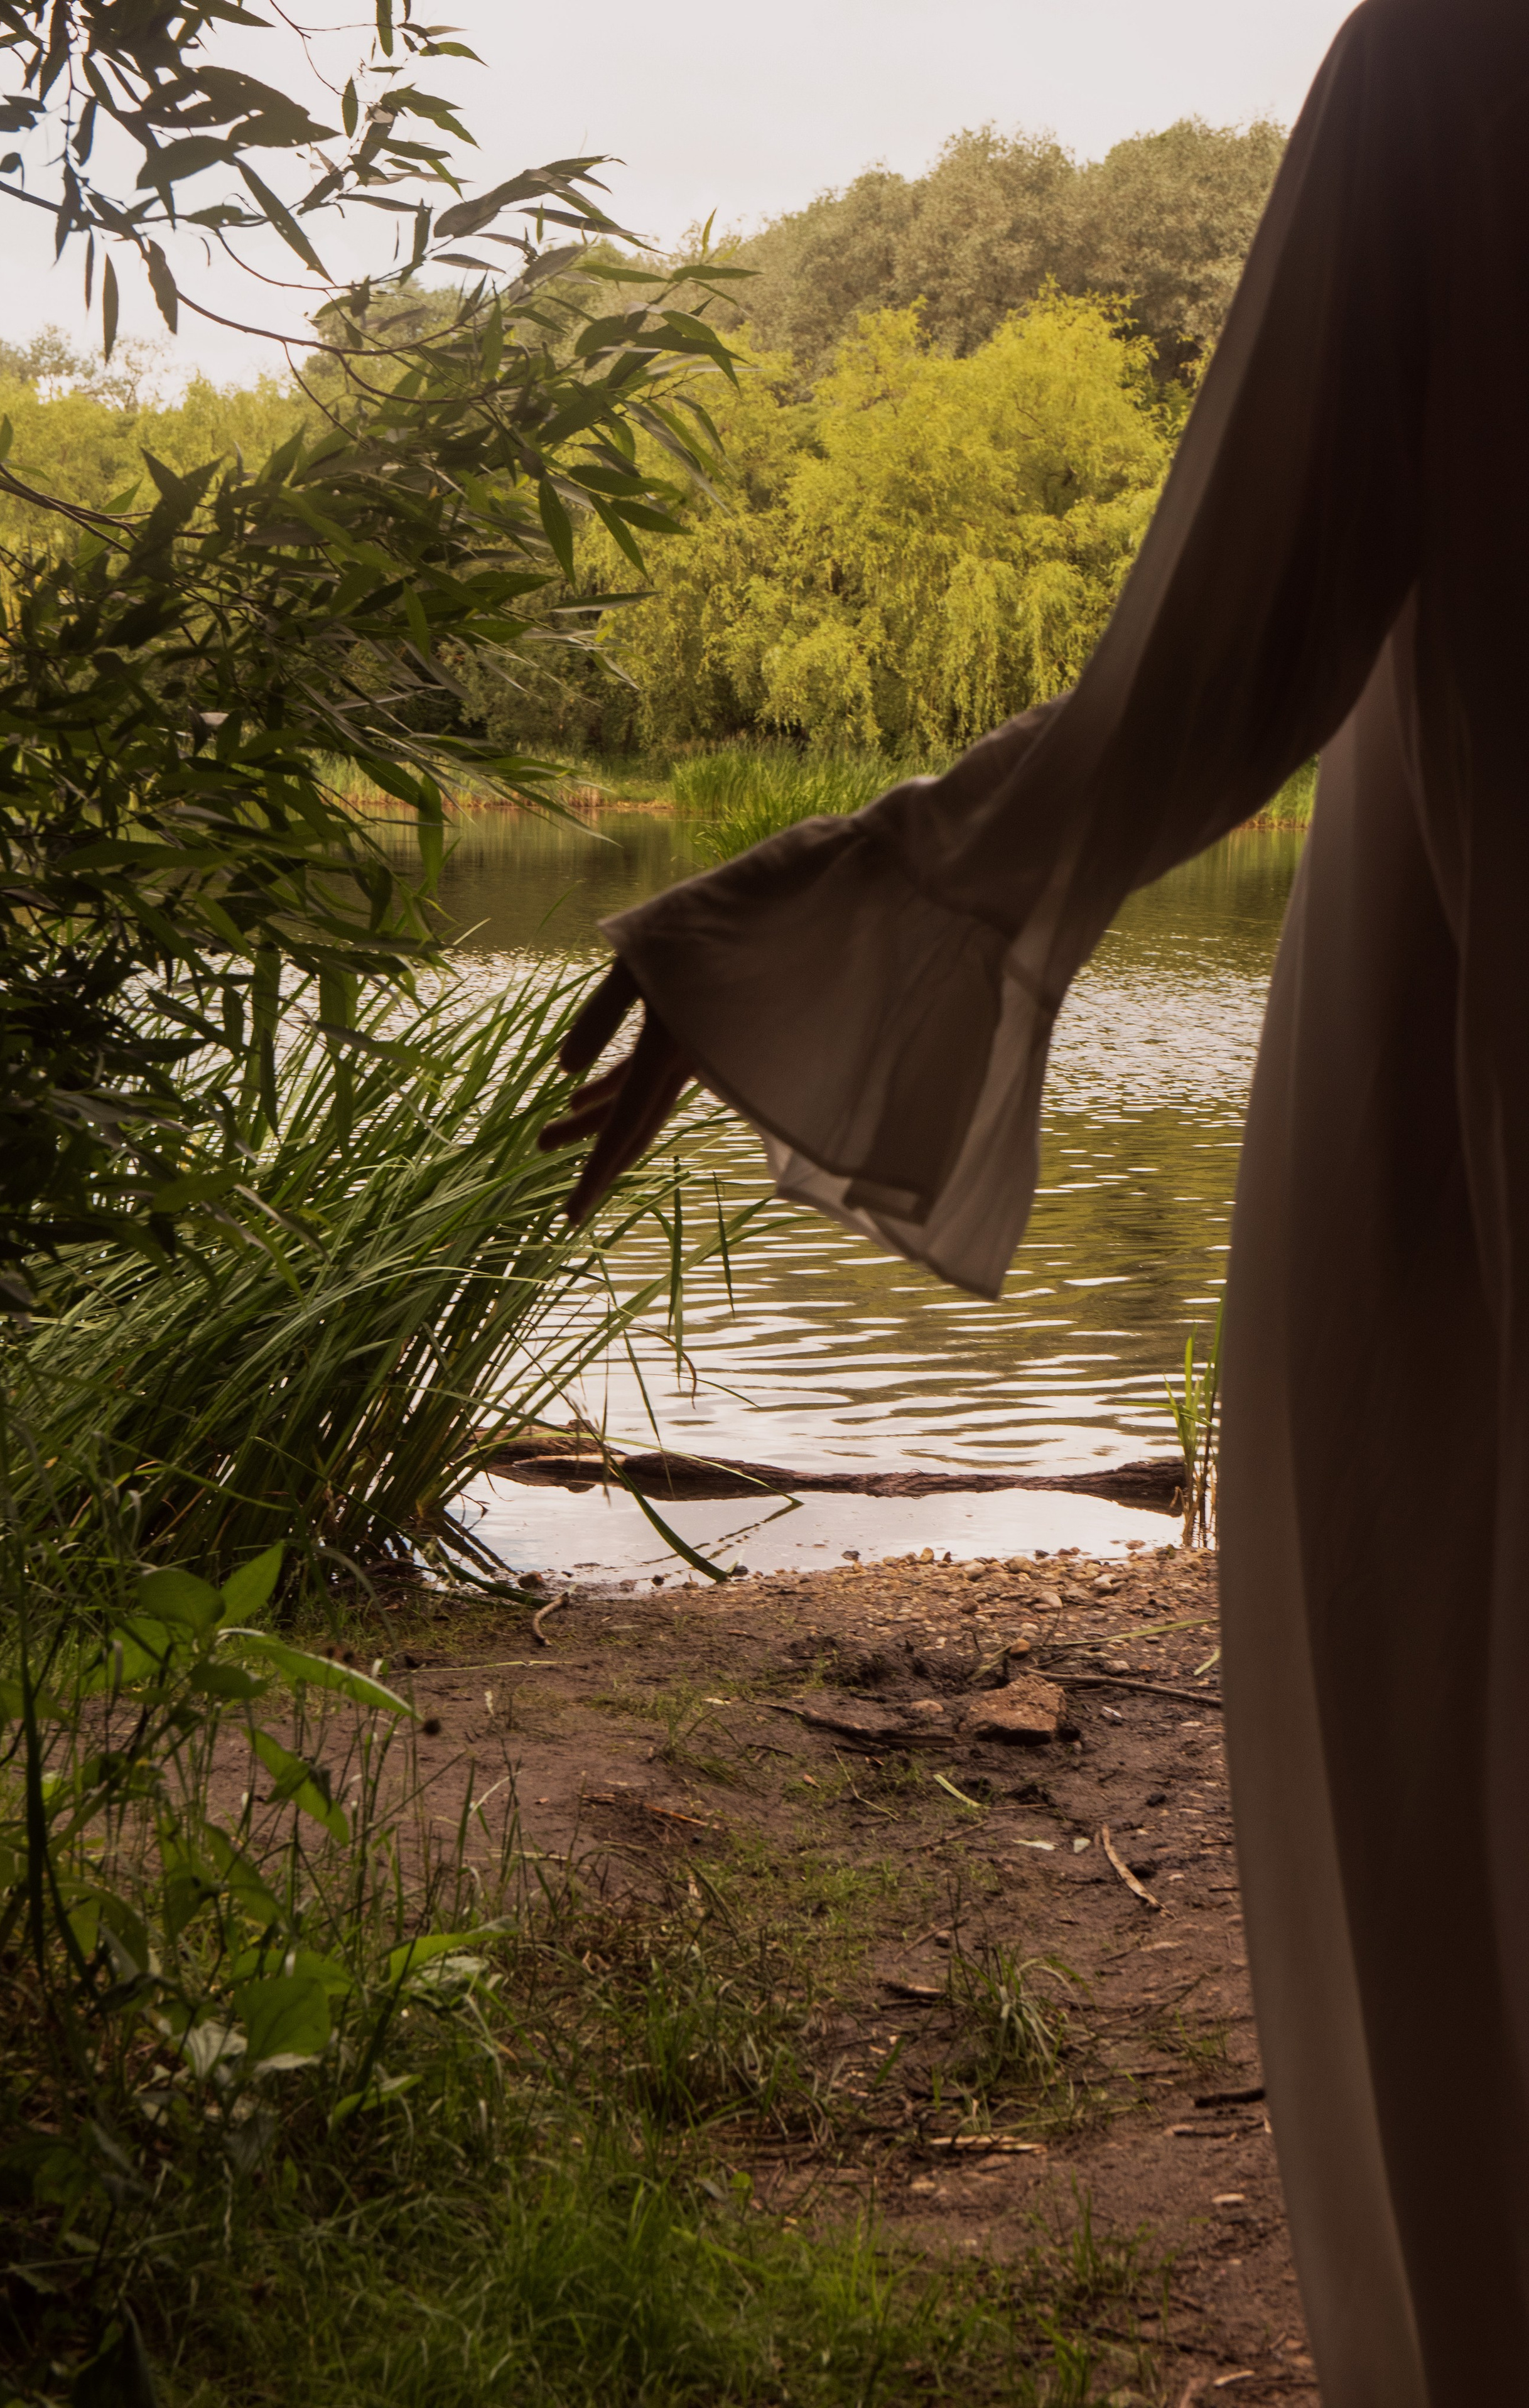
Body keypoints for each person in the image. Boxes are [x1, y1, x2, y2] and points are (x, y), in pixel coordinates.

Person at [541, 3, 1529, 2398]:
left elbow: (1203, 661)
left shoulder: (1463, 69)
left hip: (1468, 1082)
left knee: (1443, 1744)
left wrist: (764, 942)